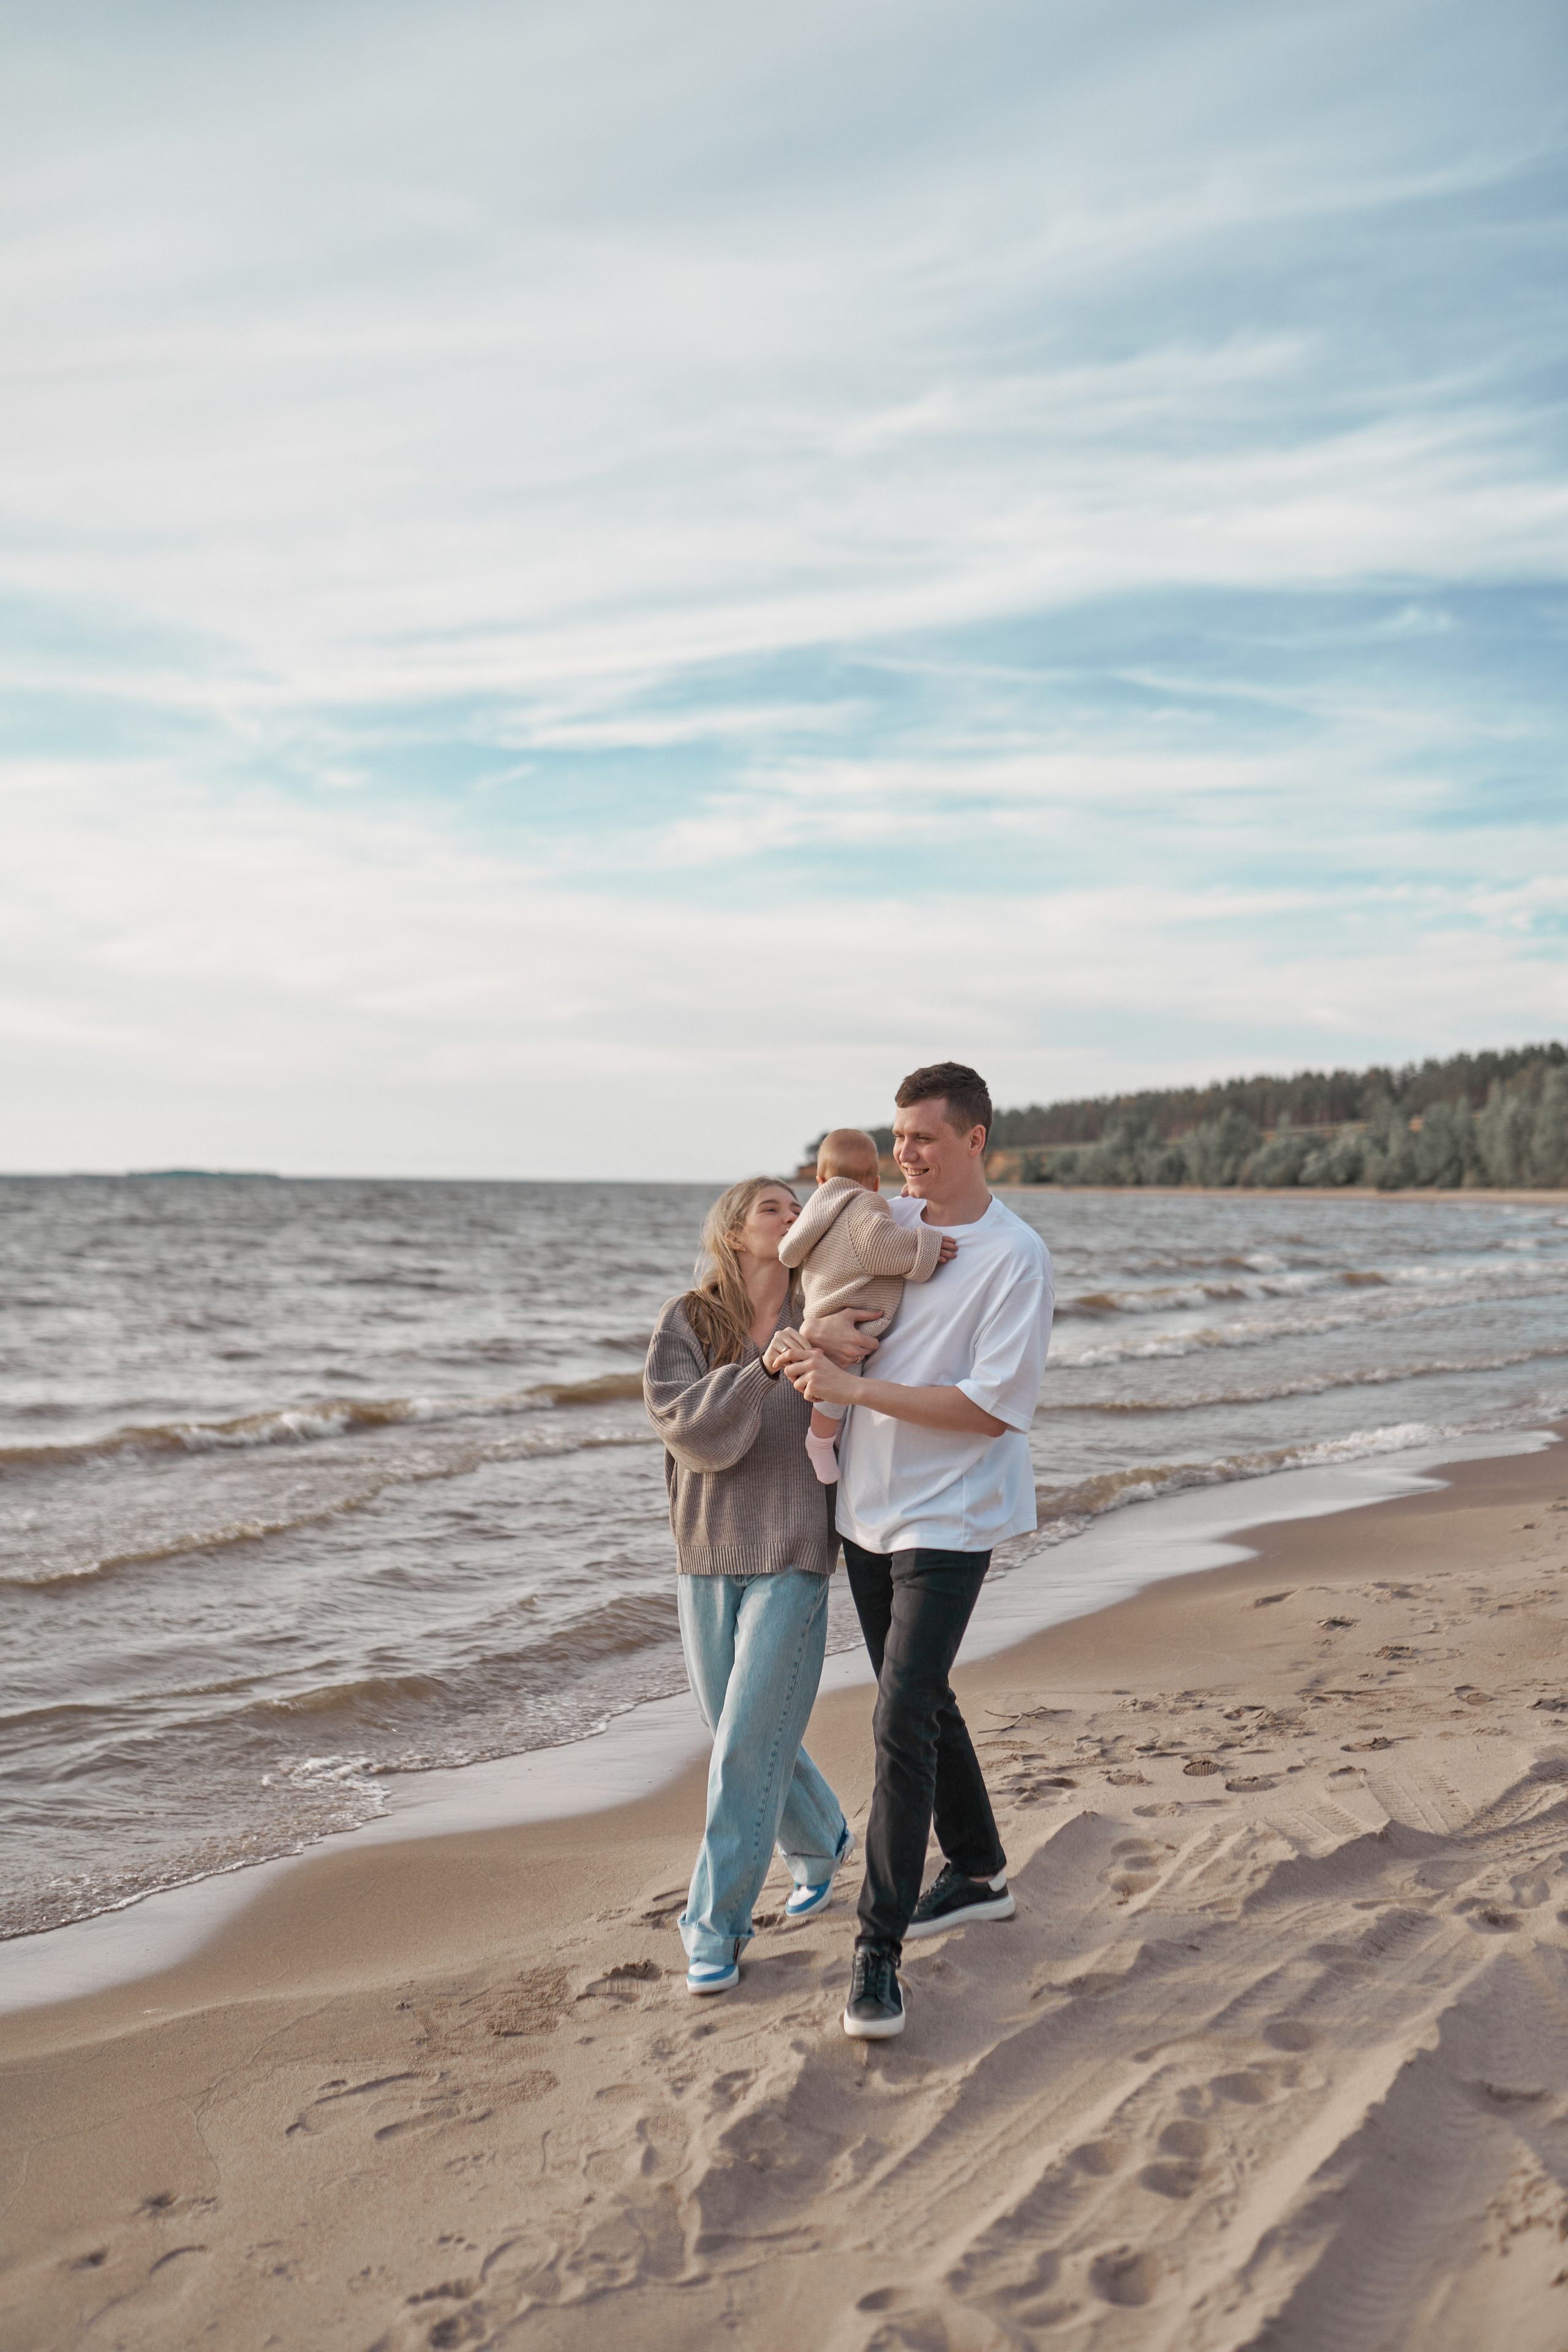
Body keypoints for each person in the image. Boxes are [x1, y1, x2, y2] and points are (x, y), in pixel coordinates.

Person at [783, 1063, 1054, 2040]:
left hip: (953, 1515)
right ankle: (976, 1871)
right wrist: (807, 1345)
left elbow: (989, 1411)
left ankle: (878, 1947)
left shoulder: (1015, 1258)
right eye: (899, 1138)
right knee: (924, 1694)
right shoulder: (890, 1226)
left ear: (976, 1140)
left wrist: (854, 1395)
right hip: (866, 1506)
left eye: (926, 1140)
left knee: (898, 1712)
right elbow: (824, 1296)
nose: (906, 1156)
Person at [643, 1175, 854, 1996]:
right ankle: (823, 1839)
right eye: (774, 1206)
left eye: (800, 1207)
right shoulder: (691, 1321)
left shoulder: (825, 1313)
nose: (793, 1216)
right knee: (740, 1730)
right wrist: (764, 1368)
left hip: (797, 1549)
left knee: (740, 1748)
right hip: (705, 1555)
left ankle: (713, 1928)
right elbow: (688, 1428)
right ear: (736, 1232)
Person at [775, 1127, 957, 1483]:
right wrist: (927, 1247)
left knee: (834, 1389)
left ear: (821, 1180)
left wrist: (901, 1207)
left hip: (821, 1312)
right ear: (874, 1183)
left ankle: (833, 1434)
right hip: (846, 1322)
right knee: (840, 1382)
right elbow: (880, 1247)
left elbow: (801, 1250)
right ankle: (820, 1441)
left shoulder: (815, 1215)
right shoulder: (865, 1206)